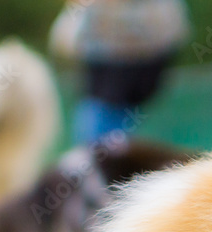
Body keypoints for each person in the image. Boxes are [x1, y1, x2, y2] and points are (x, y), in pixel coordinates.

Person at [49, 0, 189, 144]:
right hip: (106, 69)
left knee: (107, 128)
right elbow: (65, 39)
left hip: (135, 70)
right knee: (102, 128)